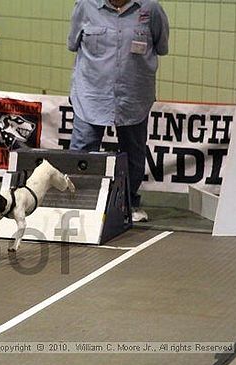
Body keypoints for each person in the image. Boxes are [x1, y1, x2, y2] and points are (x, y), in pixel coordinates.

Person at [67, 0, 169, 222]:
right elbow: (73, 43)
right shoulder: (85, 6)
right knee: (82, 150)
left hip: (134, 95)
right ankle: (78, 204)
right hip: (91, 93)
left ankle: (128, 204)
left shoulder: (151, 9)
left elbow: (161, 46)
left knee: (133, 154)